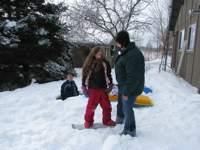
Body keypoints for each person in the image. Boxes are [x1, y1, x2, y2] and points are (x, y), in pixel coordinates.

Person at [115, 30, 145, 137]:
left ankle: (130, 130)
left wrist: (127, 92)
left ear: (122, 42)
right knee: (125, 109)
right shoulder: (126, 51)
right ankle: (127, 128)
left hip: (130, 88)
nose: (117, 44)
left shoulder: (133, 55)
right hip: (125, 87)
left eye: (118, 42)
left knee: (127, 110)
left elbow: (133, 77)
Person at [81, 46, 116, 128]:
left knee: (107, 105)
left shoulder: (105, 63)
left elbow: (107, 74)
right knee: (91, 106)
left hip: (102, 88)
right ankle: (88, 121)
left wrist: (110, 84)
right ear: (94, 53)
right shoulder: (90, 63)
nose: (100, 53)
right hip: (92, 89)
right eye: (98, 51)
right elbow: (86, 75)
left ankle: (107, 120)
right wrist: (84, 86)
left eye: (101, 51)